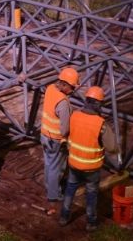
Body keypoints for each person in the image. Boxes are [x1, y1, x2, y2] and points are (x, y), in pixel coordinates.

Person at [60, 86, 116, 232]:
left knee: (70, 189)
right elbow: (112, 147)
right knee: (91, 194)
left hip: (73, 163)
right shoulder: (100, 124)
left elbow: (66, 132)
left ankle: (64, 216)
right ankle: (91, 223)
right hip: (91, 168)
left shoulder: (75, 116)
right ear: (99, 104)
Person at [40, 67, 80, 215]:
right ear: (65, 84)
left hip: (44, 135)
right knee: (55, 168)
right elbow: (64, 130)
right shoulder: (63, 103)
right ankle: (53, 196)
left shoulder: (51, 89)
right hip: (56, 140)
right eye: (72, 87)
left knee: (49, 164)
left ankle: (50, 187)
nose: (73, 90)